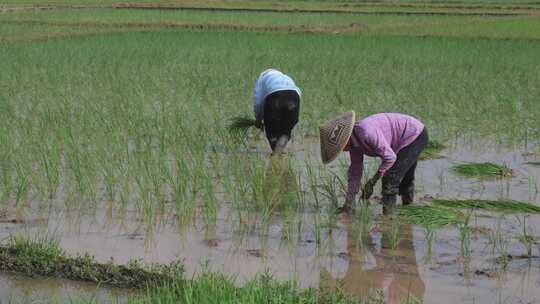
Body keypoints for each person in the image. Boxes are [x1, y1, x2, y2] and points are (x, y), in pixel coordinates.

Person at [319, 111, 428, 214]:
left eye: (341, 147)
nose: (342, 150)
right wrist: (348, 203)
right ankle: (407, 214)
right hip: (404, 140)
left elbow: (390, 157)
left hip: (414, 135)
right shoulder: (354, 145)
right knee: (403, 176)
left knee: (390, 178)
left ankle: (389, 219)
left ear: (346, 139)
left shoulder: (366, 132)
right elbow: (355, 172)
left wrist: (372, 182)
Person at [253, 69, 302, 153]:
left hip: (275, 97)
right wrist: (294, 113)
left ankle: (276, 151)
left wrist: (258, 119)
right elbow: (298, 92)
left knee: (271, 128)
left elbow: (258, 101)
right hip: (293, 98)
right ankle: (283, 140)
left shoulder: (262, 78)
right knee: (286, 128)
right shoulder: (286, 77)